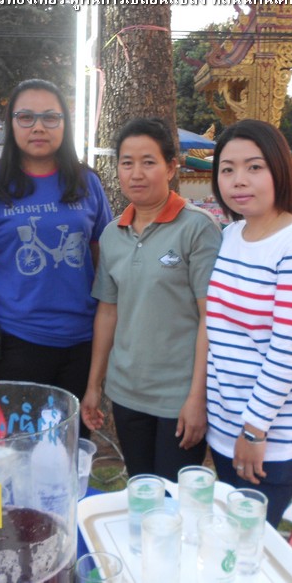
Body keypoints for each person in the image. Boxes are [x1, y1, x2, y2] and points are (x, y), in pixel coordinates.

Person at [0, 78, 113, 419]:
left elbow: (105, 266)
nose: (38, 127)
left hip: (82, 344)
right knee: (17, 444)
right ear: (11, 124)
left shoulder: (87, 183)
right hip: (16, 343)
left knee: (72, 441)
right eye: (26, 117)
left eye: (50, 117)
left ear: (65, 124)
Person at [205, 120, 292, 528]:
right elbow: (220, 333)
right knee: (229, 539)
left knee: (250, 542)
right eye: (227, 169)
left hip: (271, 440)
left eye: (254, 167)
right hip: (224, 427)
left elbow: (288, 350)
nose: (239, 180)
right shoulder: (231, 235)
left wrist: (254, 430)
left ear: (279, 169)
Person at [80, 118, 221, 480]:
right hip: (127, 392)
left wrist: (198, 397)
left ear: (171, 168)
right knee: (141, 490)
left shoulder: (198, 228)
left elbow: (211, 319)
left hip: (179, 396)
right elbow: (107, 312)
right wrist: (94, 386)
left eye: (148, 162)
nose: (136, 173)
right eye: (127, 163)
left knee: (174, 498)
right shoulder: (112, 234)